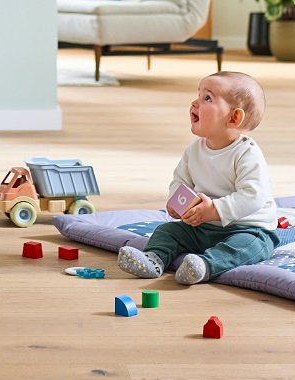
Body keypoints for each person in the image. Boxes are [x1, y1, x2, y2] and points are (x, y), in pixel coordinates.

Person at [118, 71, 280, 285]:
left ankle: (204, 266)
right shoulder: (194, 151)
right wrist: (177, 203)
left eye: (208, 98)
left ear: (234, 117)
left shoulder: (246, 154)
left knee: (247, 246)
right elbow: (180, 181)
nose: (195, 103)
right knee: (168, 230)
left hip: (246, 227)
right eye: (199, 94)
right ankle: (153, 259)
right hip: (202, 226)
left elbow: (252, 196)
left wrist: (214, 210)